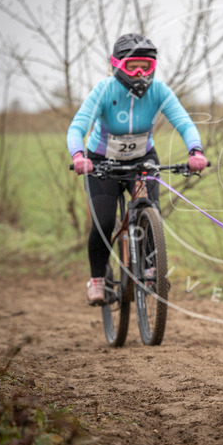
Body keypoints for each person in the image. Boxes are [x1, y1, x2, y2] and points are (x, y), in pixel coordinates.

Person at [67, 33, 207, 305]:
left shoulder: (159, 91)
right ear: (117, 65)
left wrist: (195, 150)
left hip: (142, 160)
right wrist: (78, 155)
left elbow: (184, 122)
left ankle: (151, 268)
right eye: (133, 66)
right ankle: (97, 279)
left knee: (150, 210)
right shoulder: (104, 90)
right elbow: (77, 127)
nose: (141, 73)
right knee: (104, 222)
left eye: (146, 66)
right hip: (101, 161)